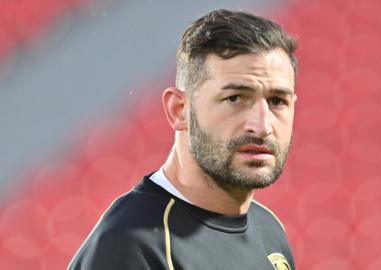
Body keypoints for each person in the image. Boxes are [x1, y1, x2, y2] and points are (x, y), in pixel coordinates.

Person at [69, 9, 298, 270]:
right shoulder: (131, 247)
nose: (262, 125)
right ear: (179, 110)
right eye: (234, 98)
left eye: (278, 101)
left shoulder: (269, 230)